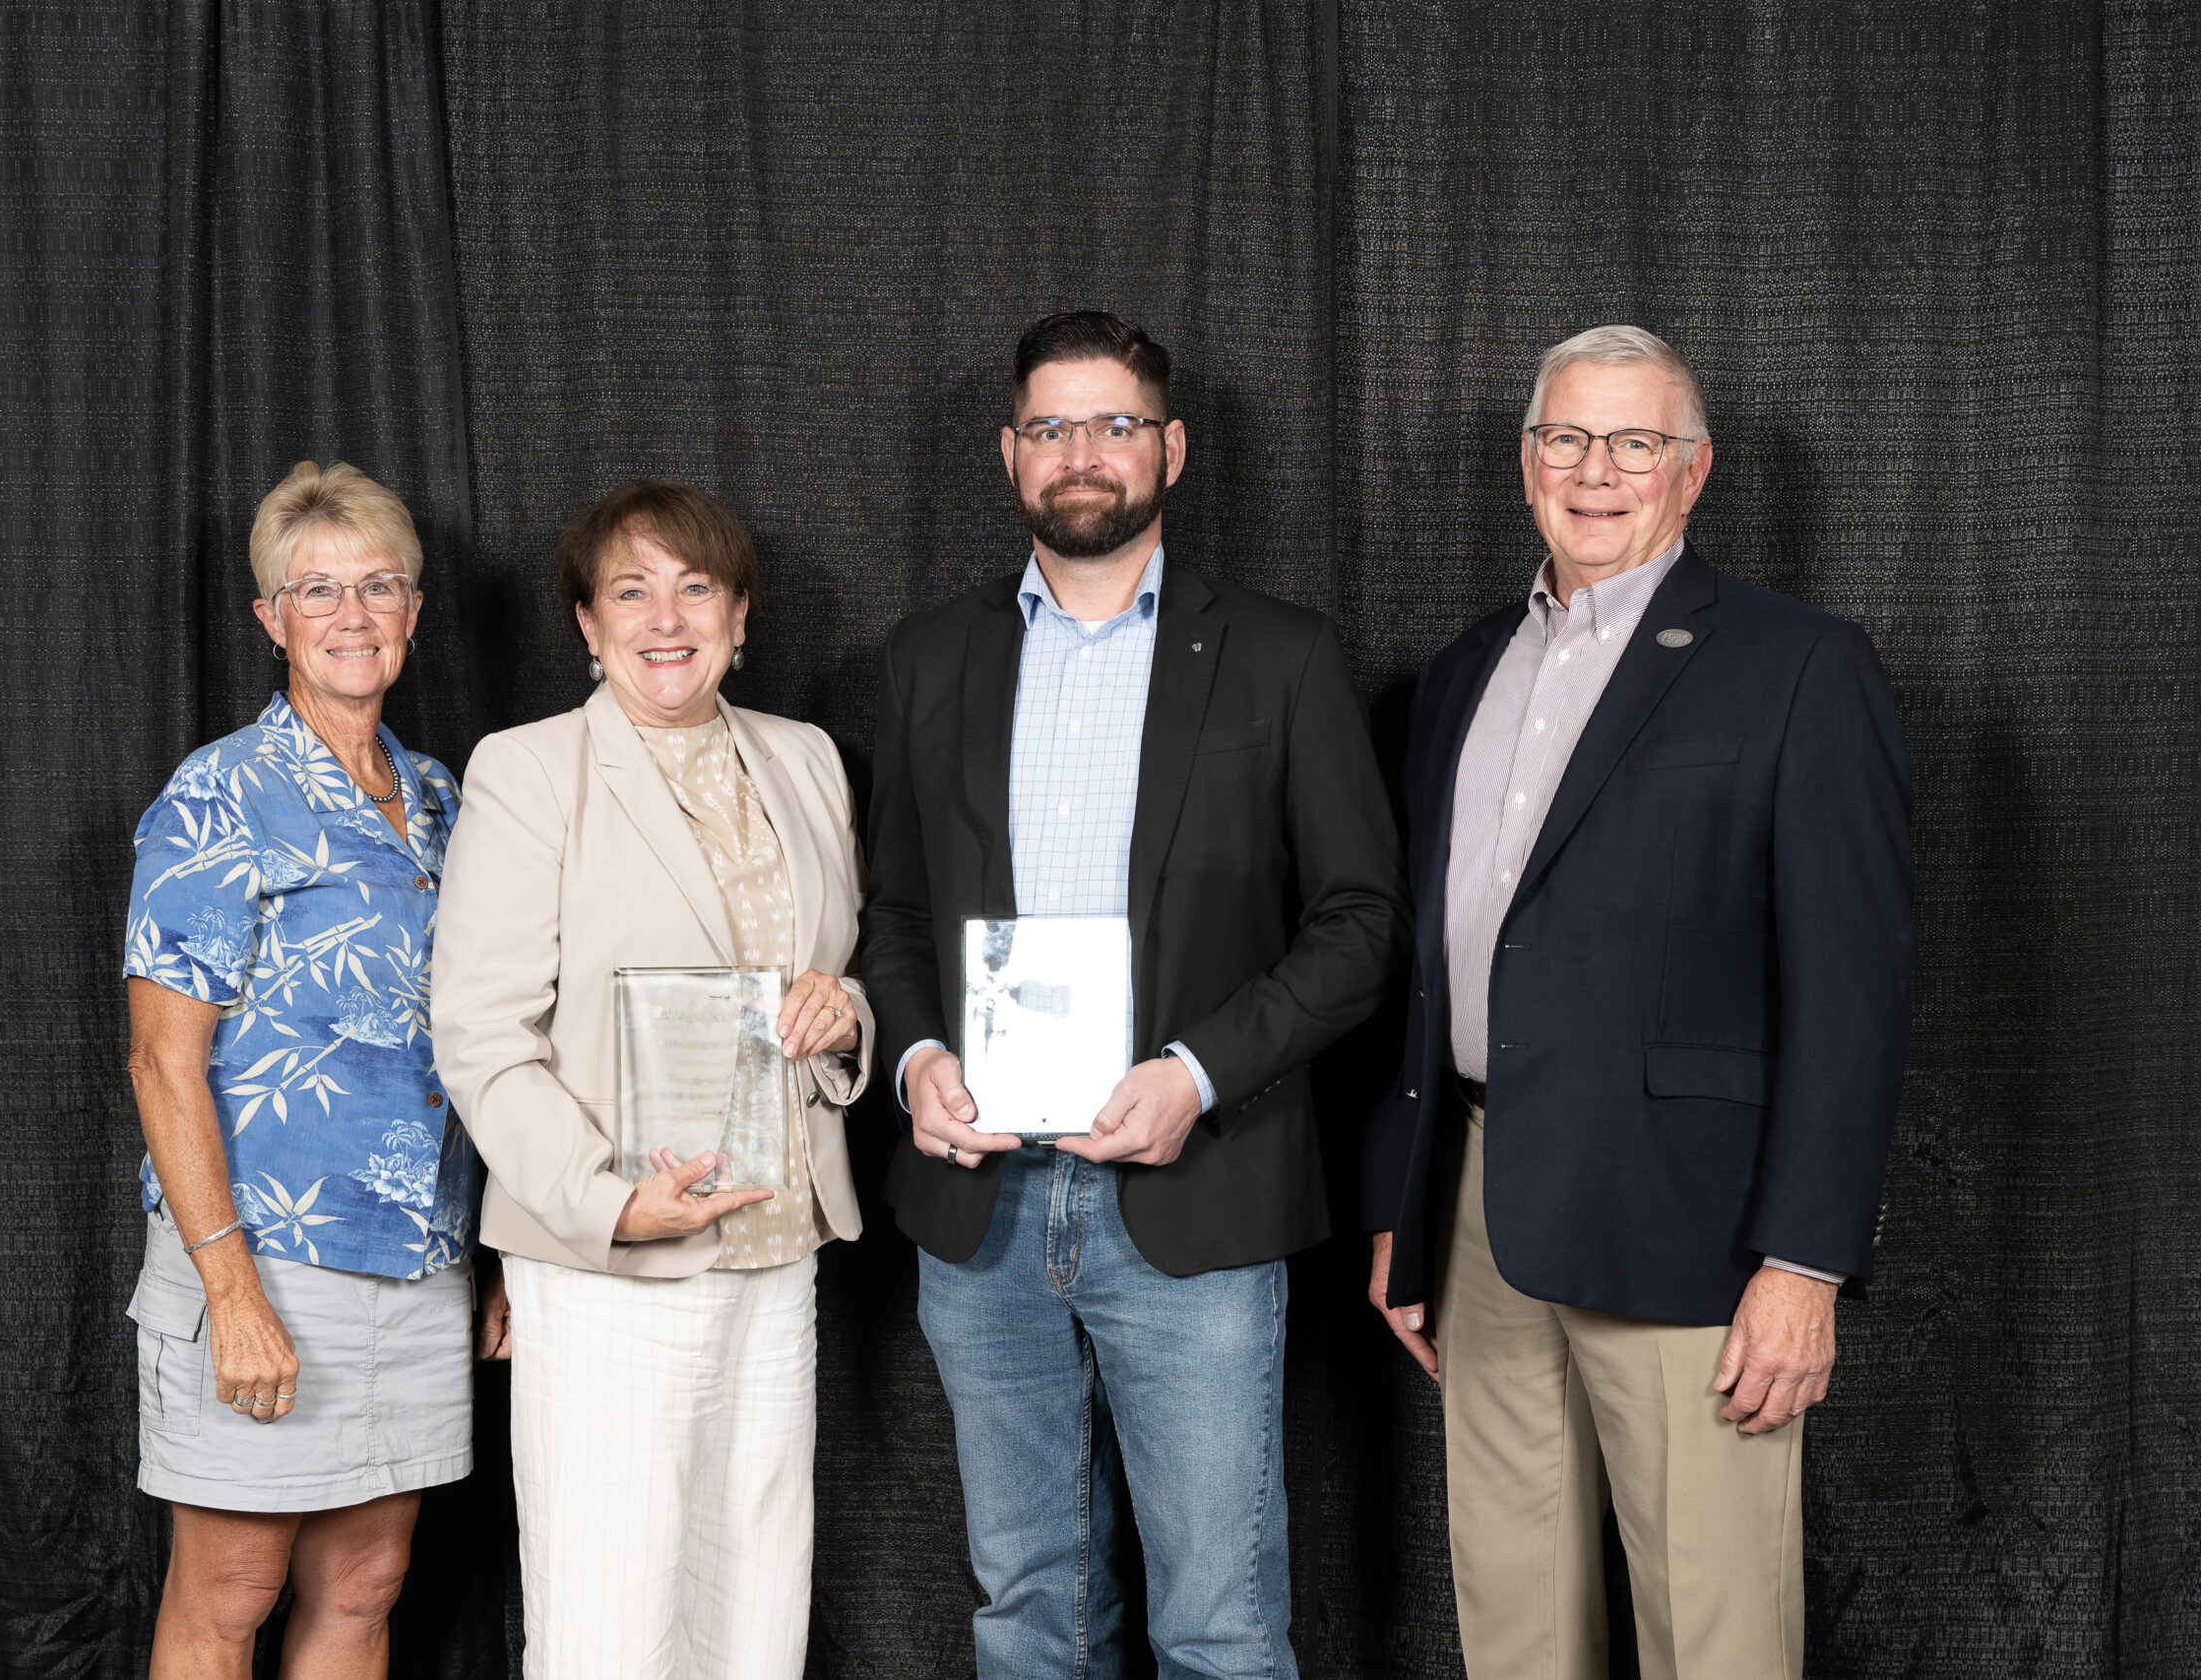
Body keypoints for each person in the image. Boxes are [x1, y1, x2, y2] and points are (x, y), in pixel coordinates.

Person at [860, 309, 1408, 1679]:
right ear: (1009, 453)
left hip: (1199, 1188)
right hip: (978, 1206)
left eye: (1113, 424)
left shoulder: (1281, 656)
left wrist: (1198, 1072)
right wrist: (920, 1052)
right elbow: (898, 913)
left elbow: (1359, 923)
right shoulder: (929, 658)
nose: (1081, 454)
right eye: (1051, 426)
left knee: (1219, 1621)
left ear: (1169, 445)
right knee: (1027, 1610)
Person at [1362, 325, 1915, 1679]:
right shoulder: (1459, 671)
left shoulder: (1796, 666)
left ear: (1694, 471)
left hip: (1696, 1227)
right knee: (1514, 1622)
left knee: (1711, 1631)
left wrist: (1806, 1259)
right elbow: (1430, 963)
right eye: (1565, 437)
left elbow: (1857, 987)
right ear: (1525, 461)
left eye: (1633, 443)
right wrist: (1406, 1200)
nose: (1594, 470)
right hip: (1482, 1213)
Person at [429, 480, 870, 1678]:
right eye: (630, 589)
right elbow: (478, 1031)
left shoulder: (807, 759)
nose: (663, 617)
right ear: (585, 621)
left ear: (740, 615)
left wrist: (844, 1019)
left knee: (754, 1601)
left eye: (695, 587)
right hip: (612, 1252)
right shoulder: (530, 770)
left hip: (778, 1245)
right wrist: (606, 1201)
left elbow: (829, 984)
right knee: (611, 1614)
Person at [122, 461, 485, 1678]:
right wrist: (229, 1292)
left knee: (366, 1588)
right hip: (265, 1256)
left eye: (377, 585)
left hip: (418, 1253)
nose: (350, 613)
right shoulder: (221, 795)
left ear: (415, 611)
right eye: (315, 589)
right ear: (272, 618)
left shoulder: (441, 799)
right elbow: (162, 1062)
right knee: (232, 1590)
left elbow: (482, 1040)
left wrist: (495, 1252)